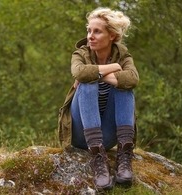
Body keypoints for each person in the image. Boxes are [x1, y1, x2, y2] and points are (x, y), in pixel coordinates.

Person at [58, 7, 139, 191]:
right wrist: (114, 68)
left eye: (97, 31)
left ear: (111, 36)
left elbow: (133, 79)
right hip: (81, 135)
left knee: (124, 87)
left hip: (109, 134)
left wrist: (98, 73)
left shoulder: (123, 55)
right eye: (89, 30)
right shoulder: (81, 54)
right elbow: (79, 72)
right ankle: (98, 161)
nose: (90, 36)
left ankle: (124, 157)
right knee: (88, 84)